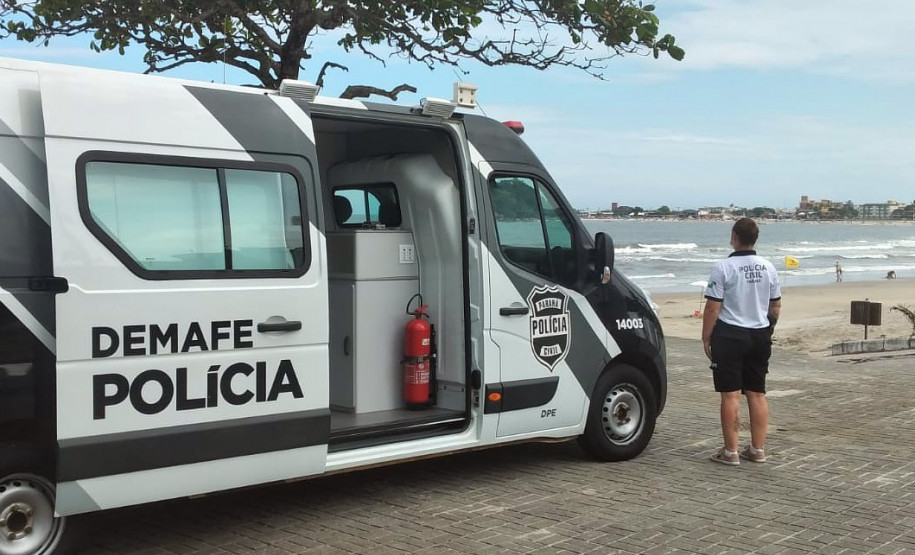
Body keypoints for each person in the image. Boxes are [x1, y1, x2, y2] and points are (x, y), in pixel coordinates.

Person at [702, 218, 782, 466]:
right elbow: (775, 305)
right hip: (758, 334)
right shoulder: (768, 267)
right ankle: (758, 449)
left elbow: (713, 307)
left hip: (730, 334)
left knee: (731, 395)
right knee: (757, 393)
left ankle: (731, 451)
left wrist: (706, 336)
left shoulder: (723, 267)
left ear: (734, 236)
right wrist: (767, 329)